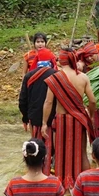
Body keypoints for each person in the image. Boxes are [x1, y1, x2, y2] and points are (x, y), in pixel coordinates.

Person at [42, 48, 97, 196]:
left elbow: (48, 102)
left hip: (61, 120)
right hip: (79, 119)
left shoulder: (55, 78)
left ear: (60, 61)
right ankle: (87, 188)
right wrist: (90, 116)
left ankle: (65, 190)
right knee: (82, 154)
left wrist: (44, 123)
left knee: (60, 154)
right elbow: (92, 101)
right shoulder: (83, 77)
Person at [19, 48, 58, 176]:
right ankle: (51, 168)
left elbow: (23, 99)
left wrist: (25, 117)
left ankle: (36, 169)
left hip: (34, 117)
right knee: (51, 144)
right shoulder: (56, 74)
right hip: (53, 117)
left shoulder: (29, 75)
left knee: (36, 143)